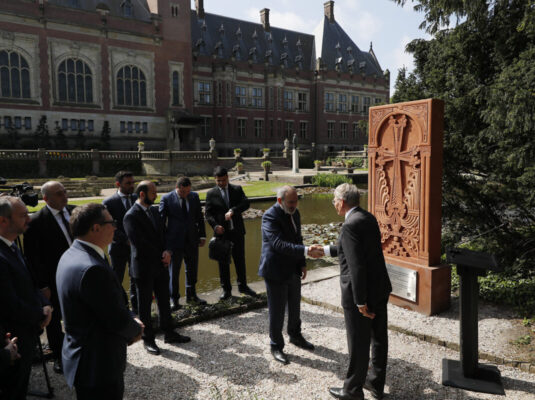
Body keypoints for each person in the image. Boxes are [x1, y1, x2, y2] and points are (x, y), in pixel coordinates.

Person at [56, 203, 143, 400]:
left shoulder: (72, 254)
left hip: (84, 358)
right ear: (96, 228)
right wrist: (136, 329)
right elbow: (114, 319)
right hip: (98, 364)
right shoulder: (91, 268)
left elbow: (109, 301)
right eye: (111, 222)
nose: (115, 227)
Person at [326, 183, 392, 400]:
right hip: (380, 288)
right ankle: (376, 384)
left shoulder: (349, 225)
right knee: (378, 338)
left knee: (358, 342)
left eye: (334, 200)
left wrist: (360, 301)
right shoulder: (368, 217)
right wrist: (325, 250)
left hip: (360, 293)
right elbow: (356, 250)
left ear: (342, 202)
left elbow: (356, 265)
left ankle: (352, 391)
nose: (334, 204)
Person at [124, 181, 191, 356]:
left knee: (164, 301)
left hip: (161, 264)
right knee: (145, 306)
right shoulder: (131, 216)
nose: (156, 195)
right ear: (142, 194)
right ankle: (148, 339)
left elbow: (165, 233)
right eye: (153, 193)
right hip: (144, 267)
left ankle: (169, 332)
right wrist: (162, 255)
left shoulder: (154, 211)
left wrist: (168, 251)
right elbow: (139, 243)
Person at [258, 185, 322, 365]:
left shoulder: (296, 213)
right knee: (277, 312)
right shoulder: (270, 216)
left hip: (293, 268)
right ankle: (276, 345)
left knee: (295, 307)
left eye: (296, 201)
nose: (294, 205)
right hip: (275, 270)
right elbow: (279, 244)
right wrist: (306, 250)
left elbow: (298, 238)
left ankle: (295, 335)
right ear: (280, 201)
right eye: (291, 202)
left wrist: (302, 263)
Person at [0, 196, 52, 400]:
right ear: (3, 220)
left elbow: (30, 284)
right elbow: (8, 303)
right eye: (23, 216)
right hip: (12, 339)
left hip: (27, 332)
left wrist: (45, 305)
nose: (28, 220)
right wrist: (40, 314)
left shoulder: (12, 247)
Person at [23, 180, 75, 374]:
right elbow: (33, 258)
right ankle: (59, 357)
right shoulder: (36, 222)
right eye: (59, 193)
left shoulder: (76, 211)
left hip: (78, 276)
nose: (65, 195)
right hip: (53, 279)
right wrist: (43, 285)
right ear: (46, 198)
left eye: (64, 191)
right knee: (54, 320)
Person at [205, 167, 256, 299]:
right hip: (222, 234)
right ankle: (226, 291)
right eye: (218, 181)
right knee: (223, 262)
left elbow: (246, 203)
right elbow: (208, 214)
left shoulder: (237, 189)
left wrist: (233, 210)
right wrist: (215, 226)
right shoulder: (211, 193)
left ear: (227, 177)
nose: (220, 183)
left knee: (240, 260)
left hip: (237, 232)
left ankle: (243, 286)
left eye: (222, 180)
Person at [159, 176, 207, 309]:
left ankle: (192, 296)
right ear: (177, 188)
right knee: (174, 272)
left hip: (192, 239)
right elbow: (161, 223)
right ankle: (174, 299)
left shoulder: (194, 197)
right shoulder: (167, 199)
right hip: (174, 242)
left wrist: (202, 235)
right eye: (183, 192)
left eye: (188, 191)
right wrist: (164, 244)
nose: (186, 194)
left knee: (192, 269)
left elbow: (199, 217)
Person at [102, 171, 138, 313]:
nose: (132, 186)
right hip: (118, 248)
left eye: (133, 183)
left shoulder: (136, 198)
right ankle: (120, 308)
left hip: (136, 248)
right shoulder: (109, 203)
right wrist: (126, 239)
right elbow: (109, 226)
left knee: (136, 278)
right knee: (116, 280)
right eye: (128, 183)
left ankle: (136, 308)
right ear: (118, 184)